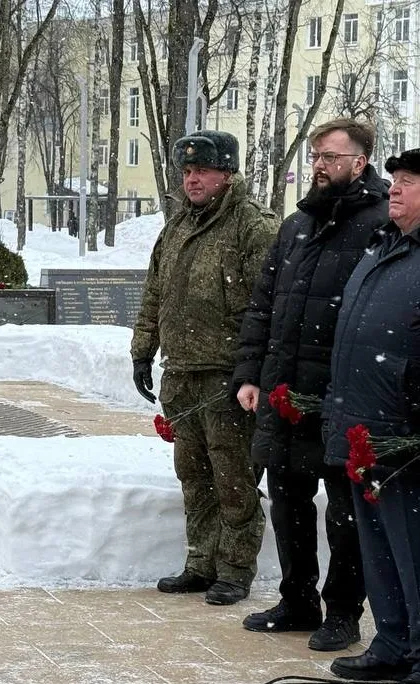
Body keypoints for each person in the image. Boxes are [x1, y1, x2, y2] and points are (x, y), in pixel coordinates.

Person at [233, 119, 384, 651]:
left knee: (345, 513)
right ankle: (297, 599)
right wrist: (250, 374)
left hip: (342, 395)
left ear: (360, 163)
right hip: (284, 392)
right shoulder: (297, 225)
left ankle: (343, 611)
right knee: (288, 500)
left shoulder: (380, 222)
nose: (319, 165)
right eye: (316, 155)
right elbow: (264, 303)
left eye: (331, 157)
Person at [130, 130, 277, 606]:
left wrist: (252, 370)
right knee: (193, 475)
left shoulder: (253, 226)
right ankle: (200, 562)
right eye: (188, 172)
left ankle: (234, 570)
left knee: (234, 478)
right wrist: (142, 349)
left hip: (226, 376)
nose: (193, 179)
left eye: (203, 171)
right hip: (182, 372)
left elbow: (268, 307)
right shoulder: (177, 226)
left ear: (227, 174)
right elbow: (155, 292)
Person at [322, 148, 420, 684]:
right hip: (365, 429)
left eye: (408, 181)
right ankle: (393, 643)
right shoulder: (383, 248)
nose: (395, 189)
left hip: (407, 436)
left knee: (413, 552)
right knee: (380, 549)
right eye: (395, 180)